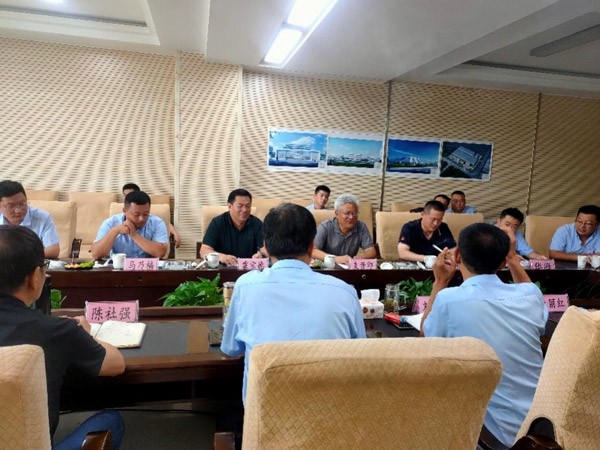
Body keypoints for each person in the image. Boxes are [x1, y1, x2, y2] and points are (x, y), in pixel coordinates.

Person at [221, 203, 366, 404]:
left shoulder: (246, 286)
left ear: (266, 247)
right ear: (311, 246)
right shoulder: (345, 292)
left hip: (264, 417)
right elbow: (360, 357)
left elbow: (230, 349)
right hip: (330, 416)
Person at [421, 223, 547, 447]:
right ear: (503, 262)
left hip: (494, 434)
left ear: (457, 256)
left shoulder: (449, 300)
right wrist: (512, 259)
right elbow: (531, 291)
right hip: (542, 422)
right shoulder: (530, 295)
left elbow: (425, 339)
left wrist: (440, 282)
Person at [0, 225, 125, 449]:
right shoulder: (57, 331)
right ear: (34, 277)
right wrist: (85, 334)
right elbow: (115, 364)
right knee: (111, 420)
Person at [91, 190, 168, 259]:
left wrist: (134, 235)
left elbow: (160, 253)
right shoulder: (110, 223)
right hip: (119, 268)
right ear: (125, 211)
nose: (141, 219)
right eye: (136, 214)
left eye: (145, 214)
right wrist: (115, 231)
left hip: (147, 268)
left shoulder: (157, 223)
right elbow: (96, 254)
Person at [200, 189, 265, 266]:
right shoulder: (218, 223)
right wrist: (221, 257)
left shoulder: (257, 224)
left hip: (248, 269)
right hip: (222, 269)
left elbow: (265, 249)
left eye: (248, 206)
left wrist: (261, 254)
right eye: (240, 206)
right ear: (229, 206)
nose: (244, 210)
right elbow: (204, 251)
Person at [0, 180, 60, 258]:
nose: (18, 210)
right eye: (10, 206)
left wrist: (23, 259)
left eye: (22, 204)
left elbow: (54, 250)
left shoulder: (42, 217)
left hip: (32, 263)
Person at [312, 193, 377, 264]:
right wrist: (335, 259)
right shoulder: (325, 226)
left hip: (348, 267)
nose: (351, 217)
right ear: (337, 214)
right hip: (327, 267)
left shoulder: (361, 226)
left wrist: (361, 258)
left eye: (354, 213)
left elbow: (371, 251)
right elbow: (313, 251)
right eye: (347, 213)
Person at [122, 183, 182, 248]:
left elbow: (162, 220)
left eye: (130, 194)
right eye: (125, 195)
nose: (127, 197)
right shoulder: (120, 213)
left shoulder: (145, 207)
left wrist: (174, 233)